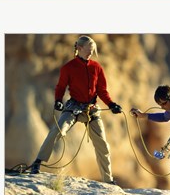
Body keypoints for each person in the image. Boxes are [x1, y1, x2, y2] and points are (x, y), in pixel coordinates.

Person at [30, 35, 122, 184]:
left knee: (103, 145)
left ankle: (108, 180)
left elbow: (102, 90)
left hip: (91, 109)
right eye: (89, 50)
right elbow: (60, 87)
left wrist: (111, 104)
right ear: (79, 49)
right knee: (58, 130)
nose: (91, 53)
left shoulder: (97, 67)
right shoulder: (68, 67)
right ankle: (37, 163)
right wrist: (58, 101)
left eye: (93, 51)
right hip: (73, 107)